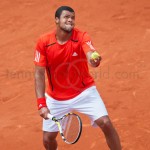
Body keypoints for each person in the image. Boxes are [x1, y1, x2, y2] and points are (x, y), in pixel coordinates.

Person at [34, 6, 121, 150]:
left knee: (105, 122)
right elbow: (38, 74)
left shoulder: (81, 36)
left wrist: (94, 59)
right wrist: (41, 104)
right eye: (66, 17)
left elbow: (90, 51)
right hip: (56, 98)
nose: (70, 20)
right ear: (57, 20)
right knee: (47, 139)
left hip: (84, 92)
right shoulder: (44, 42)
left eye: (73, 17)